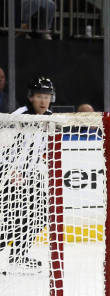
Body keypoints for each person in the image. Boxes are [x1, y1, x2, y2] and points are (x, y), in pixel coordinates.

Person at [1, 77, 54, 270]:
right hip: (9, 176)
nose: (43, 101)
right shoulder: (19, 115)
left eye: (47, 96)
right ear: (31, 97)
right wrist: (10, 169)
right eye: (39, 96)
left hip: (29, 177)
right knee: (9, 222)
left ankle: (19, 256)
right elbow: (4, 142)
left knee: (40, 215)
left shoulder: (50, 116)